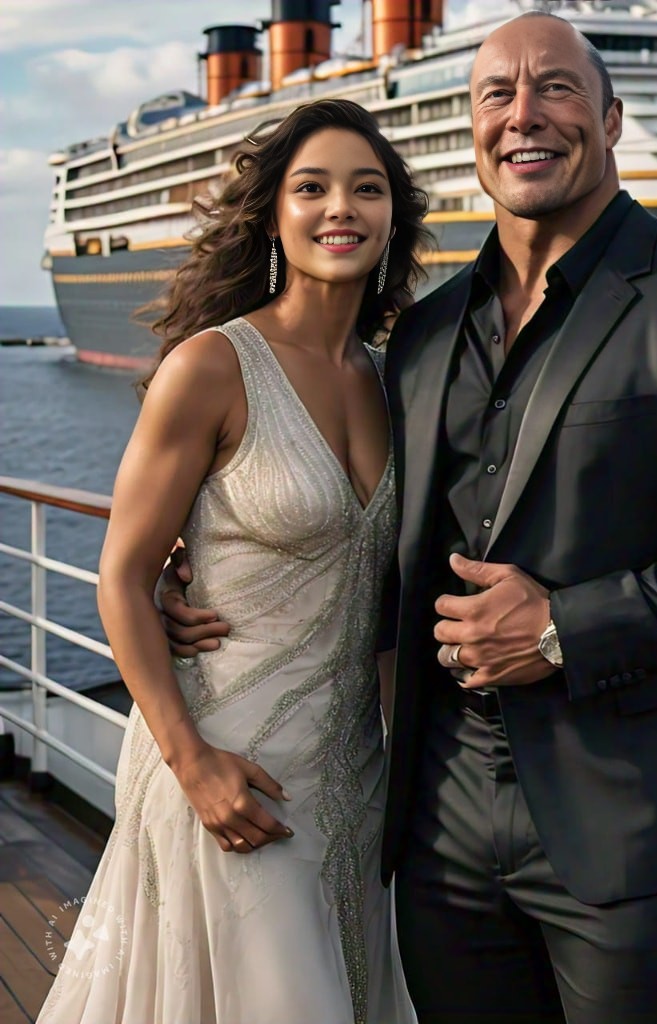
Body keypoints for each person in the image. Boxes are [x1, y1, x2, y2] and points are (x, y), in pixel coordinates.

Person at [165, 12, 657, 1024]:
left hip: (629, 831)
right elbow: (377, 532)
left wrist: (564, 627)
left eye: (557, 88)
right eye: (496, 94)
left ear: (611, 117)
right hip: (435, 826)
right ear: (472, 125)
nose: (523, 114)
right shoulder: (427, 333)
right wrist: (204, 565)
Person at [37, 99, 428, 1024]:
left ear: (394, 219)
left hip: (358, 784)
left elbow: (383, 602)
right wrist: (191, 761)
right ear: (274, 216)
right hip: (227, 766)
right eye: (313, 188)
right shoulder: (213, 366)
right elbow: (125, 576)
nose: (342, 208)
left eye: (367, 189)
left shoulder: (397, 377)